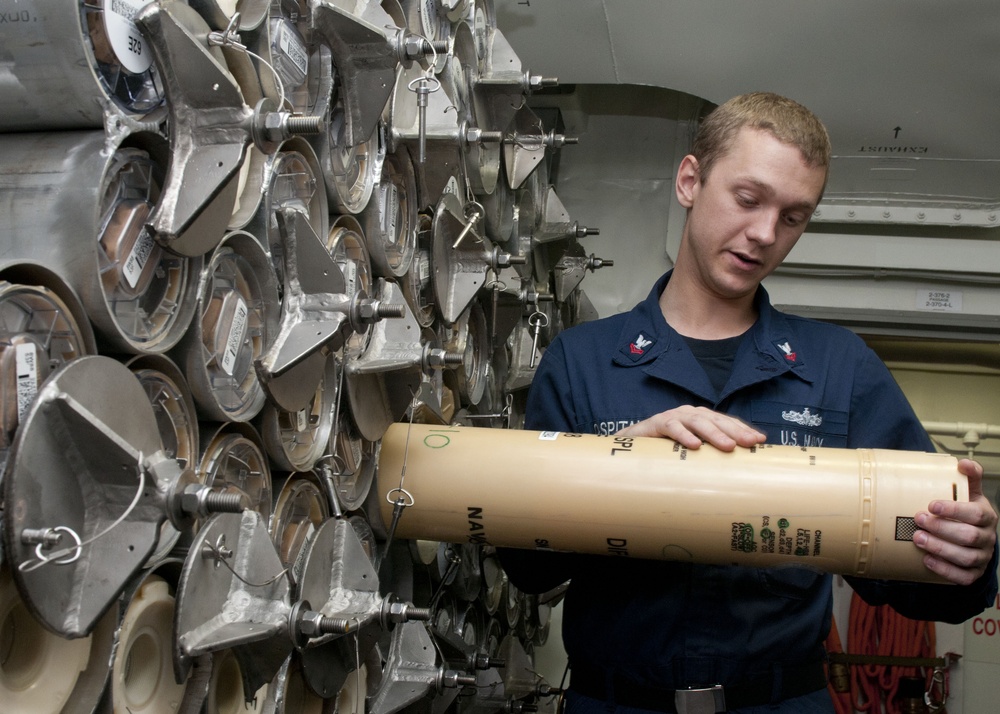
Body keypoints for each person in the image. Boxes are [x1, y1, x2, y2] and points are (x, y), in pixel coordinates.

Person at [499, 92, 999, 714]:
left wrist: (971, 553)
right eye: (748, 198)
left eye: (794, 216)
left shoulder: (840, 369)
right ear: (690, 180)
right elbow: (526, 567)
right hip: (618, 702)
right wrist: (615, 462)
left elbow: (928, 589)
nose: (765, 233)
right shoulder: (583, 361)